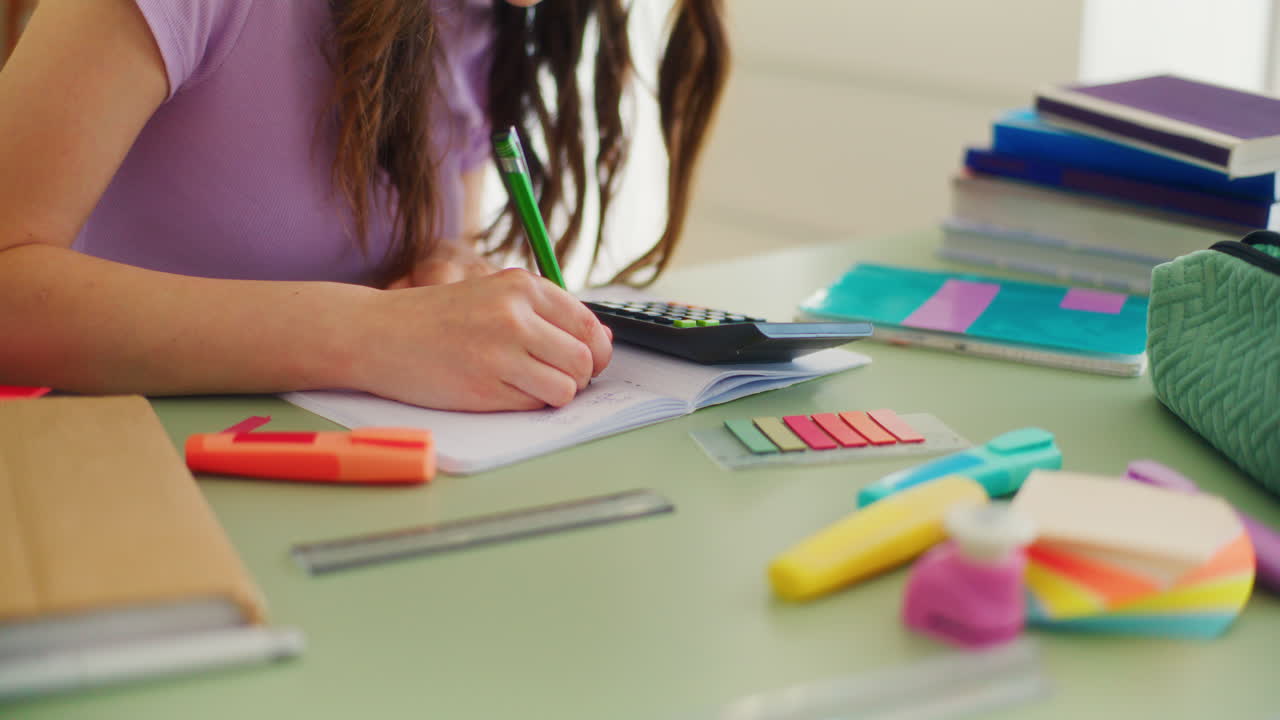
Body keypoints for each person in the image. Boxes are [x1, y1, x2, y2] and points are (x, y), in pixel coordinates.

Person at [0, 0, 728, 411]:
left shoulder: (491, 15)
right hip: (132, 503)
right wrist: (371, 334)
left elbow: (420, 250)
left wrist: (444, 270)